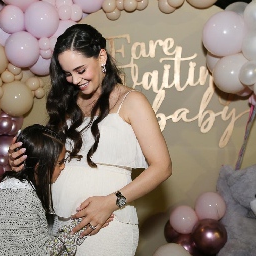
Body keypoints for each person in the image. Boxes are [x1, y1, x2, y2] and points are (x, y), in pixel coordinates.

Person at [9, 24, 172, 255]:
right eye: (67, 73)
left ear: (101, 56)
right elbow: (51, 167)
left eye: (80, 69)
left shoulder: (132, 101)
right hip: (62, 223)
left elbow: (162, 167)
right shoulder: (66, 106)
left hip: (108, 223)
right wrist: (23, 164)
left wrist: (110, 203)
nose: (75, 80)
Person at [0, 124, 88, 256]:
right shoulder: (23, 198)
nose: (63, 167)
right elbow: (42, 252)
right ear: (39, 167)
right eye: (59, 162)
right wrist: (77, 228)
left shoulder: (9, 186)